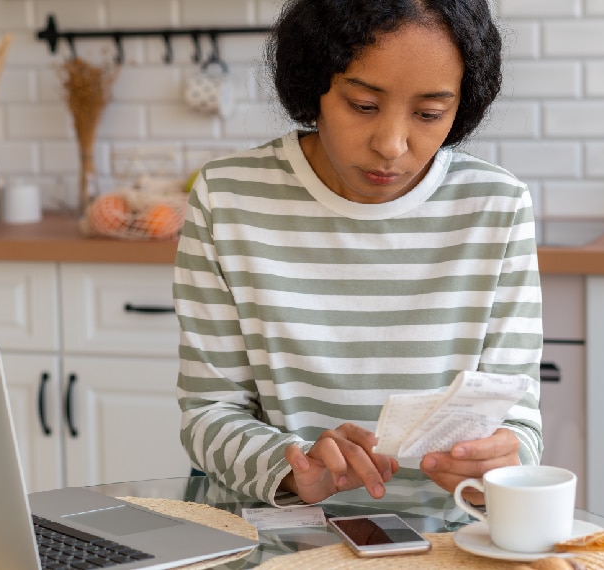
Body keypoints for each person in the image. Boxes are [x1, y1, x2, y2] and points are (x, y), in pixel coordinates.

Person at [173, 0, 542, 507]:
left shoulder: (497, 205)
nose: (392, 145)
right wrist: (293, 464)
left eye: (430, 114)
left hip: (447, 536)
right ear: (315, 84)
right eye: (363, 106)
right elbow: (208, 413)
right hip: (284, 533)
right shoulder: (228, 197)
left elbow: (518, 424)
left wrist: (502, 460)